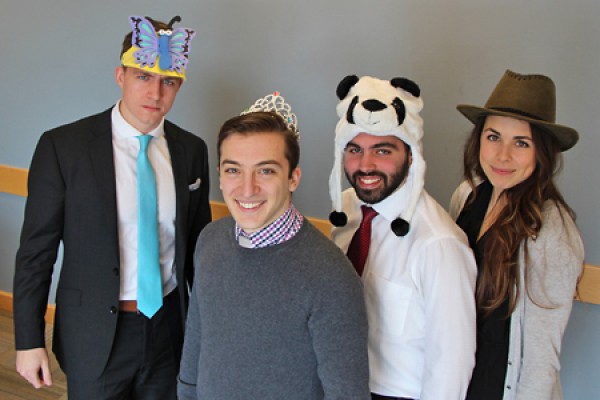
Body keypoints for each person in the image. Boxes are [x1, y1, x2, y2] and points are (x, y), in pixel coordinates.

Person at [13, 15, 211, 399]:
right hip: (95, 333)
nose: (156, 92)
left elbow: (199, 255)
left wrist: (209, 334)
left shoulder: (192, 151)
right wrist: (28, 340)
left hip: (170, 330)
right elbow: (36, 254)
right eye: (143, 76)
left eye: (168, 81)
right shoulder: (63, 147)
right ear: (120, 76)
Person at [177, 92, 370, 400]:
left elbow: (347, 394)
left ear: (293, 178)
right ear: (220, 175)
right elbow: (197, 341)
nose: (247, 188)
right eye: (233, 170)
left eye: (265, 170)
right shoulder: (210, 240)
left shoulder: (330, 277)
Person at [328, 75, 477, 400]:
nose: (365, 165)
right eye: (355, 149)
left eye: (382, 150)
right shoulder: (347, 210)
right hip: (339, 385)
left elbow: (451, 364)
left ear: (411, 154)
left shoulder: (439, 244)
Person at [450, 69, 585, 399]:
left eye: (521, 143)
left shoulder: (551, 231)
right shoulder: (466, 197)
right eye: (493, 137)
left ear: (542, 153)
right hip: (457, 383)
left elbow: (541, 361)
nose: (503, 155)